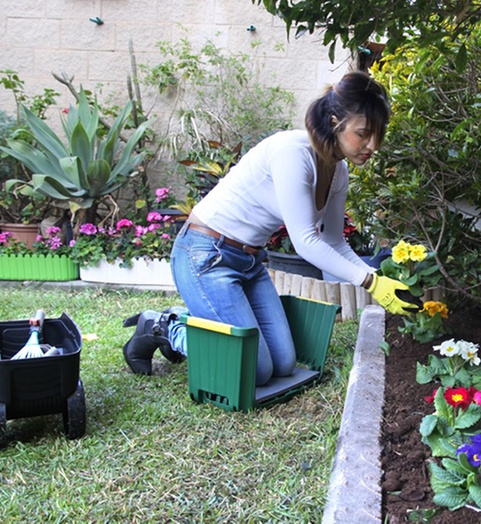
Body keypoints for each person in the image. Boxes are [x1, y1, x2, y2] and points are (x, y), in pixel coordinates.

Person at [121, 70, 418, 380]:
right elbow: (305, 241)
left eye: (377, 134)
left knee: (283, 362)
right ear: (335, 123)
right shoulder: (292, 152)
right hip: (204, 256)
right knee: (256, 370)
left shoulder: (339, 170)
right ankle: (164, 327)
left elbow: (333, 240)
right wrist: (370, 283)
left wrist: (379, 277)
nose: (372, 144)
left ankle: (200, 325)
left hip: (249, 263)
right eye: (363, 132)